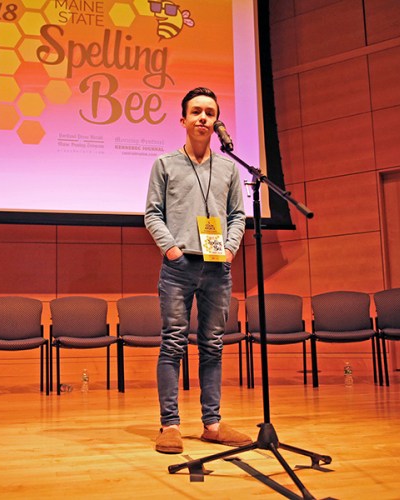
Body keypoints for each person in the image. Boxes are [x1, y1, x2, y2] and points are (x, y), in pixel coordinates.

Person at [145, 87, 251, 453]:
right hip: (179, 266)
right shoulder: (165, 164)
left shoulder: (229, 169)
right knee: (173, 343)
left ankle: (212, 424)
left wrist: (231, 246)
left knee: (213, 346)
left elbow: (238, 214)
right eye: (196, 112)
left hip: (217, 266)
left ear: (215, 121)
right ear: (184, 120)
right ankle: (170, 425)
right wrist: (171, 249)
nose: (203, 118)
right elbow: (151, 213)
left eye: (209, 112)